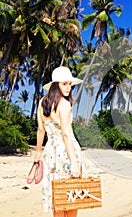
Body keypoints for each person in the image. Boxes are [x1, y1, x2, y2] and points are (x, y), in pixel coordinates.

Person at [33, 66, 85, 217]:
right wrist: (74, 163)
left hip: (50, 153)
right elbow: (66, 134)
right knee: (71, 197)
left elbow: (41, 130)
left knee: (58, 197)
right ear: (56, 85)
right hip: (66, 153)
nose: (68, 87)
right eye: (64, 84)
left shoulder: (42, 102)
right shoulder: (64, 104)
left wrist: (38, 153)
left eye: (70, 84)